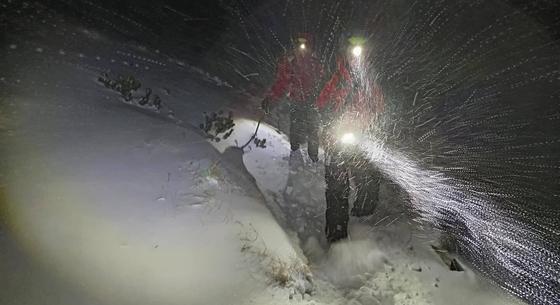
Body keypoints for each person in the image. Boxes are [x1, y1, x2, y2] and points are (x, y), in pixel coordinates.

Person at [316, 35, 385, 243]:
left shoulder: (369, 81)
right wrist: (328, 117)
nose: (355, 56)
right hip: (337, 139)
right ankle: (336, 234)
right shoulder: (337, 80)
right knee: (337, 187)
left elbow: (379, 107)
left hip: (360, 139)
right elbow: (322, 103)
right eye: (352, 51)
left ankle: (364, 217)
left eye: (360, 51)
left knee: (369, 178)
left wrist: (374, 125)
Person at [261, 33, 324, 162]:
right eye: (299, 44)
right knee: (296, 126)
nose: (302, 48)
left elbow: (324, 82)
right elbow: (281, 83)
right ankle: (295, 151)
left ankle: (313, 156)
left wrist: (323, 99)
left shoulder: (316, 63)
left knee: (313, 128)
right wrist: (271, 99)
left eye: (305, 44)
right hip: (297, 100)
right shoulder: (291, 62)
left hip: (313, 101)